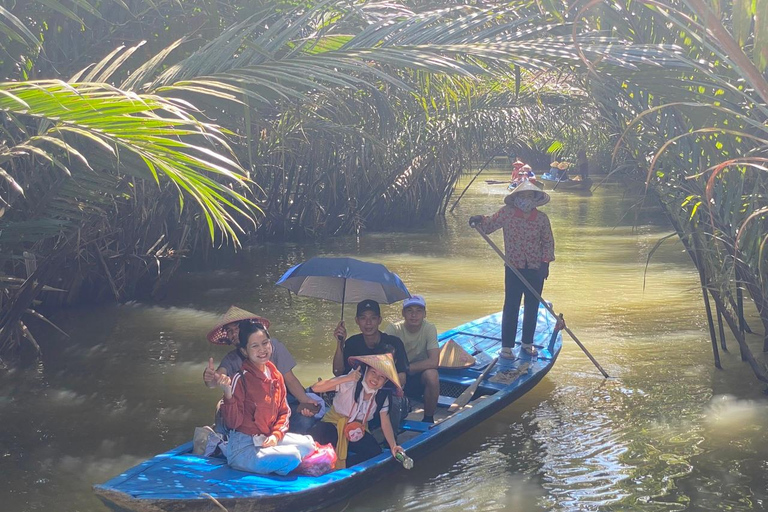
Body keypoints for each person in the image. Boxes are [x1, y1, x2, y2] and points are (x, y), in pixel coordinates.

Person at [213, 321, 316, 475]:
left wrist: (276, 436)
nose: (262, 350)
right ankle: (271, 465)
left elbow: (284, 412)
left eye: (265, 343)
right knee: (294, 456)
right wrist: (228, 394)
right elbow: (232, 423)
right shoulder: (240, 379)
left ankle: (275, 460)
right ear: (245, 351)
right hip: (243, 448)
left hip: (265, 438)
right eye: (255, 346)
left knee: (309, 444)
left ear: (271, 344)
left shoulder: (276, 375)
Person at [468, 180, 555, 358]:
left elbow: (548, 243)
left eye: (529, 196)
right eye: (522, 196)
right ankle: (507, 347)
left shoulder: (541, 219)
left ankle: (527, 344)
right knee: (511, 305)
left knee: (532, 306)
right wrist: (479, 220)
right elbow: (490, 223)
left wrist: (545, 264)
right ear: (516, 198)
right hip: (513, 268)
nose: (526, 200)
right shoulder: (507, 214)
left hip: (535, 268)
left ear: (535, 199)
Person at [204, 306, 321, 434]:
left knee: (305, 421)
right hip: (251, 413)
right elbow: (218, 378)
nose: (233, 334)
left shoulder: (273, 349)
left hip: (281, 403)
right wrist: (211, 378)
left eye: (236, 328)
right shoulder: (232, 359)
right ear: (244, 351)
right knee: (223, 412)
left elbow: (290, 380)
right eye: (229, 331)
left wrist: (306, 401)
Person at [309, 353, 405, 468]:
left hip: (357, 430)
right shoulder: (350, 381)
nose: (375, 378)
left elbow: (385, 422)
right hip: (333, 424)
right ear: (366, 371)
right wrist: (346, 378)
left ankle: (343, 467)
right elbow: (315, 388)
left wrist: (393, 446)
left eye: (382, 377)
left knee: (374, 452)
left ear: (385, 382)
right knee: (316, 435)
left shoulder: (382, 396)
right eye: (373, 372)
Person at [383, 295, 439, 423]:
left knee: (432, 375)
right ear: (403, 313)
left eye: (418, 311)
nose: (414, 315)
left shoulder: (429, 328)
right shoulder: (394, 329)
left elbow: (434, 362)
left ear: (424, 314)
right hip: (398, 376)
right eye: (410, 310)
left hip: (418, 376)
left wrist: (407, 368)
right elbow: (383, 358)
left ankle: (428, 418)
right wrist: (401, 371)